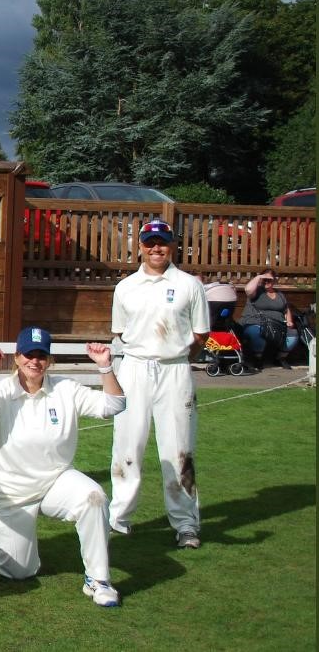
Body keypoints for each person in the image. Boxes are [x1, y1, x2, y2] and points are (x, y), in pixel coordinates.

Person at [0, 328, 126, 608]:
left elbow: (114, 405)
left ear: (49, 360)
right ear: (17, 357)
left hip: (55, 481)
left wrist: (105, 366)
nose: (35, 361)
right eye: (29, 355)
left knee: (94, 497)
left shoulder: (66, 388)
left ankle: (98, 580)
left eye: (41, 356)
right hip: (8, 493)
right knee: (20, 571)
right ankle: (4, 547)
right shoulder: (1, 390)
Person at [109, 218, 209, 548]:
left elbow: (201, 334)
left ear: (172, 245)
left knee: (179, 449)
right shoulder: (125, 287)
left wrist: (176, 359)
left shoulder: (189, 285)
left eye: (162, 242)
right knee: (127, 446)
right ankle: (119, 519)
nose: (156, 248)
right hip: (134, 369)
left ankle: (186, 524)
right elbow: (120, 332)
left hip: (175, 371)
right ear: (140, 246)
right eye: (150, 242)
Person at [239, 269, 297, 370]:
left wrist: (289, 321)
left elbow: (286, 309)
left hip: (277, 325)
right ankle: (258, 358)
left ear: (274, 280)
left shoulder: (280, 294)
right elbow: (248, 290)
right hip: (255, 322)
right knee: (258, 331)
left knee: (293, 334)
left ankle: (280, 358)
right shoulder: (256, 291)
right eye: (264, 279)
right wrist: (259, 277)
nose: (266, 282)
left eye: (269, 279)